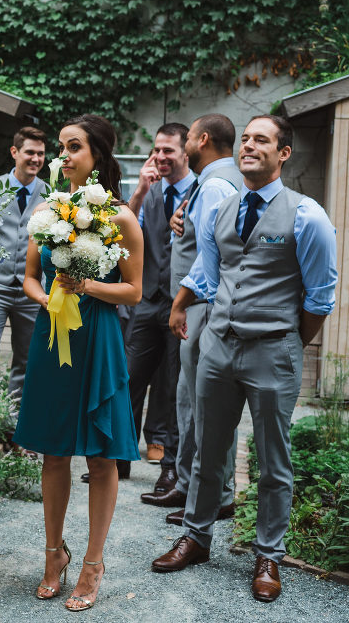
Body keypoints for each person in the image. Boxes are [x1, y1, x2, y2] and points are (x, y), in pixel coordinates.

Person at [152, 115, 337, 603]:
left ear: (284, 154)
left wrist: (287, 340)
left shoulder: (307, 216)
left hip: (274, 350)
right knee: (207, 448)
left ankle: (269, 554)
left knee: (273, 460)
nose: (251, 145)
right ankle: (196, 537)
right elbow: (208, 273)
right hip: (218, 345)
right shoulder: (223, 207)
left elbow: (319, 298)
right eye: (247, 138)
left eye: (263, 140)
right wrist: (180, 303)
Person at [13, 114, 143, 612]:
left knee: (101, 454)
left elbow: (133, 290)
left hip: (99, 339)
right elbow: (29, 277)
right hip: (53, 337)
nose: (62, 157)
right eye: (61, 148)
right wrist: (47, 300)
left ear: (98, 156)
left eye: (74, 148)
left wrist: (85, 287)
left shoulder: (121, 217)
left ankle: (93, 562)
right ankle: (53, 555)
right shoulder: (45, 214)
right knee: (52, 451)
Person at [143, 114, 241, 527]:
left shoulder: (217, 184)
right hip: (197, 308)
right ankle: (188, 484)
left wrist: (179, 303)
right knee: (188, 401)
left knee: (208, 406)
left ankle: (216, 494)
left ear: (201, 139)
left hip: (204, 307)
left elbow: (213, 256)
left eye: (185, 141)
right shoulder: (207, 184)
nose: (179, 149)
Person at [122, 123, 194, 490]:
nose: (162, 157)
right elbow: (123, 234)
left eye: (169, 151)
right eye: (158, 150)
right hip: (147, 301)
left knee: (172, 385)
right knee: (129, 377)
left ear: (186, 152)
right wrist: (138, 192)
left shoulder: (200, 191)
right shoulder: (150, 190)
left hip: (182, 302)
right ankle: (119, 459)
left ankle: (170, 467)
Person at [0, 127, 47, 404]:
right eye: (30, 152)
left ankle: (16, 428)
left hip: (32, 291)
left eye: (40, 153)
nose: (36, 159)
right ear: (15, 152)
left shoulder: (49, 195)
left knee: (27, 361)